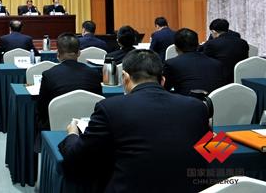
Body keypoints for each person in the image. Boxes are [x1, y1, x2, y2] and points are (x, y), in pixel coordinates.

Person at [58, 49, 210, 193]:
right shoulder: (197, 107)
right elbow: (217, 153)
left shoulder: (110, 108)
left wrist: (72, 134)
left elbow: (76, 157)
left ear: (125, 77)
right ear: (163, 80)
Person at [36, 33, 102, 131]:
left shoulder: (49, 75)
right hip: (88, 128)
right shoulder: (94, 73)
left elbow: (42, 109)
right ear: (79, 53)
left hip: (56, 128)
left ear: (57, 54)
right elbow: (98, 105)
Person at [163, 28, 224, 95]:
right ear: (198, 45)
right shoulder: (216, 64)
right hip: (214, 101)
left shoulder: (171, 64)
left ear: (176, 47)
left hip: (186, 100)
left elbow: (164, 89)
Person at [202, 18, 249, 84]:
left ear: (214, 32)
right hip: (240, 78)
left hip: (220, 79)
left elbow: (205, 62)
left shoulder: (211, 44)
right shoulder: (243, 42)